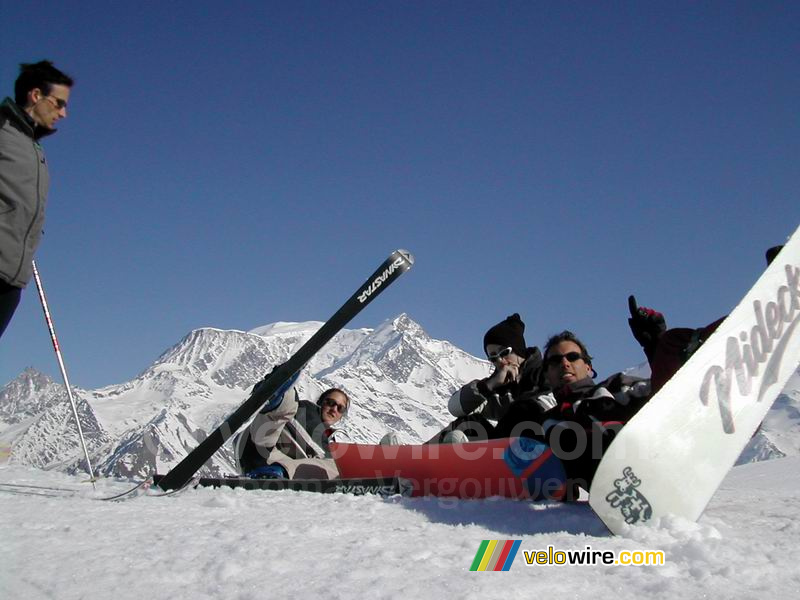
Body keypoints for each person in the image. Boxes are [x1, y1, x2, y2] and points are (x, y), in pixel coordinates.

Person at [492, 330, 650, 490]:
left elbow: (664, 392)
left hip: (651, 467)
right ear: (547, 374)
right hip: (614, 496)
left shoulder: (614, 389)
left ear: (588, 367)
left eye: (573, 357)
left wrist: (655, 345)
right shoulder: (543, 422)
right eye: (555, 361)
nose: (564, 363)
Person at [0, 61, 73, 339]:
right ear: (35, 95)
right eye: (59, 103)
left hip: (12, 278)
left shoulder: (32, 147)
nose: (64, 113)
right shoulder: (3, 130)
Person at [433, 313, 546, 443]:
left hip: (540, 445)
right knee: (467, 424)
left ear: (518, 350)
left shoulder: (545, 375)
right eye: (493, 357)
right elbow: (455, 408)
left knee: (522, 411)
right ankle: (417, 458)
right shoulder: (498, 387)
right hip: (502, 447)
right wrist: (488, 386)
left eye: (504, 352)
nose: (500, 360)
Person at [235, 384, 350, 480]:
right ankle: (277, 392)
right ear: (320, 402)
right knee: (287, 405)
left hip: (276, 468)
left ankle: (280, 394)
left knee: (338, 466)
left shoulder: (328, 439)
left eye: (340, 408)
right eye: (330, 403)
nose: (334, 409)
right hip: (261, 450)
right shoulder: (305, 411)